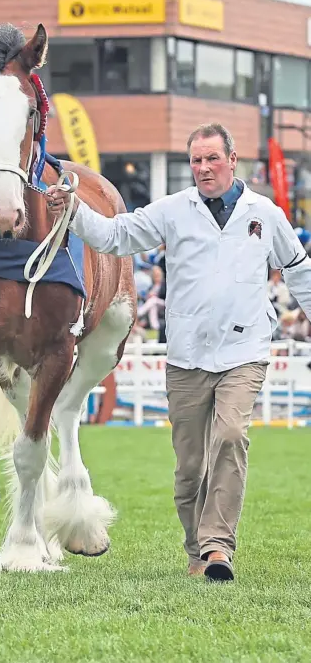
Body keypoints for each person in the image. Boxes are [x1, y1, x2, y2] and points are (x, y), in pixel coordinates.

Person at [45, 122, 311, 582]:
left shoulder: (264, 213)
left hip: (245, 349)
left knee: (230, 437)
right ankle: (197, 550)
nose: (203, 168)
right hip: (187, 355)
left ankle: (216, 548)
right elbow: (113, 236)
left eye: (212, 158)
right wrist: (73, 208)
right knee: (189, 469)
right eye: (196, 161)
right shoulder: (174, 210)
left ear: (232, 160)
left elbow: (298, 269)